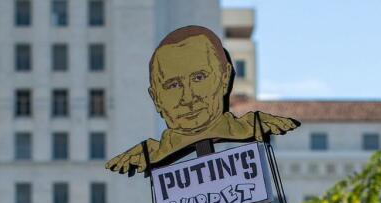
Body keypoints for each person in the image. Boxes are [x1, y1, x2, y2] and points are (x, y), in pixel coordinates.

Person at [105, 25, 298, 175]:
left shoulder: (257, 127)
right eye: (173, 85)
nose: (188, 98)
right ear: (156, 98)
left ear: (225, 78)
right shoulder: (146, 156)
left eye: (199, 78)